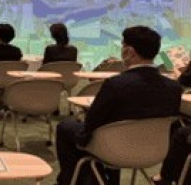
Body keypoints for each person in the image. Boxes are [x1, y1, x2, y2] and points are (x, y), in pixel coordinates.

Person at [55, 26, 182, 185]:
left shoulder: (116, 84)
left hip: (114, 149)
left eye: (122, 46)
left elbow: (92, 122)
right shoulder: (174, 88)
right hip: (155, 152)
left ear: (130, 52)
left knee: (66, 127)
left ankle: (68, 180)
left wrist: (82, 136)